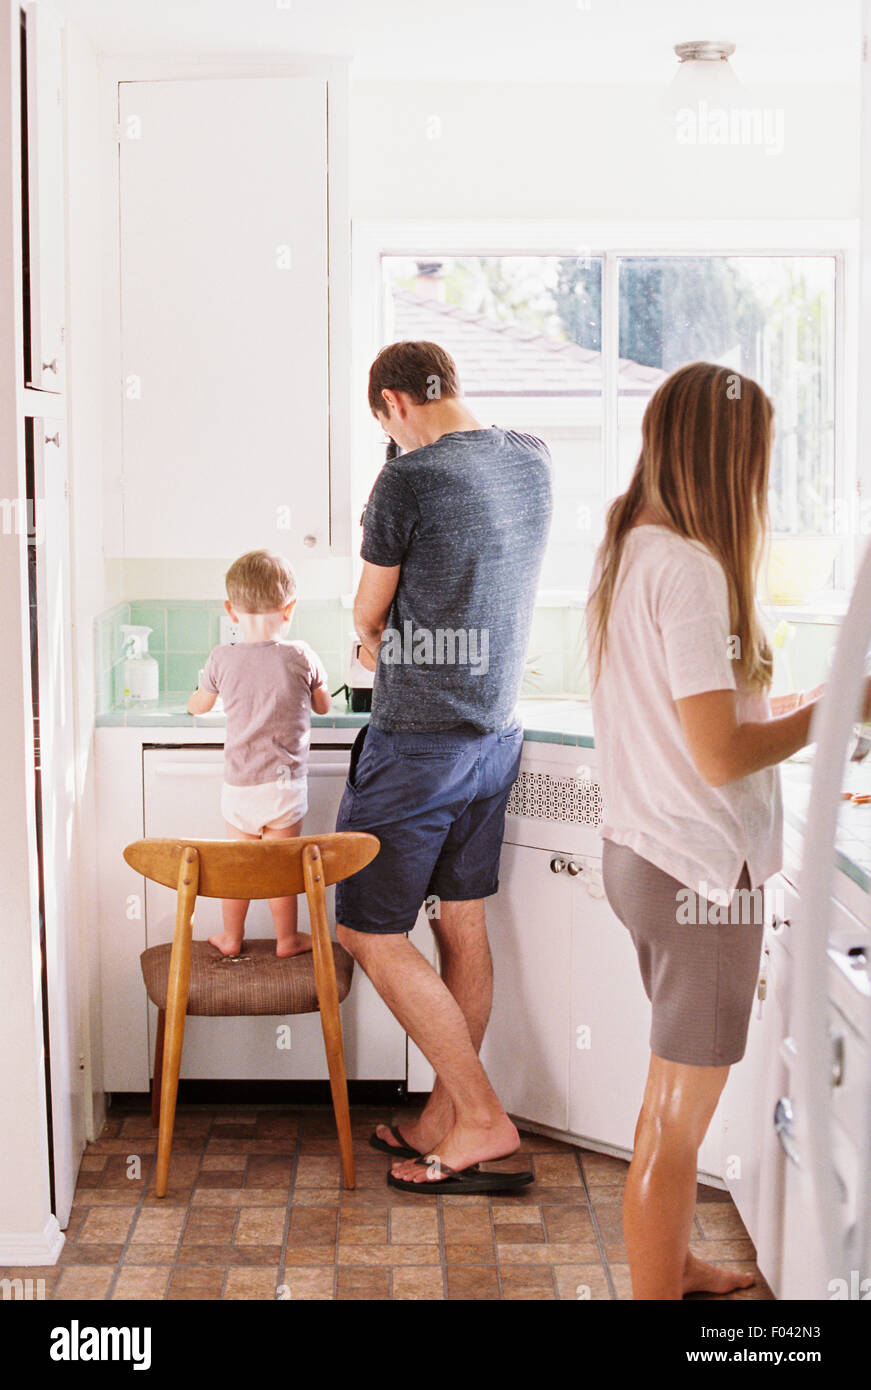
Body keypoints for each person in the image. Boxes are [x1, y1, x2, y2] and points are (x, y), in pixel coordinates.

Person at [587, 360, 869, 1299]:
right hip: (701, 874)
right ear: (727, 452)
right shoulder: (695, 570)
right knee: (677, 1120)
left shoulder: (636, 545)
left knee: (663, 1101)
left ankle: (671, 1265)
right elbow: (716, 754)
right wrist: (843, 712)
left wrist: (817, 704)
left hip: (644, 854)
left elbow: (707, 711)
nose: (763, 476)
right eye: (759, 455)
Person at [334, 339, 553, 1192]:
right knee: (459, 922)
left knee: (368, 929)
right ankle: (440, 1117)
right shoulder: (530, 458)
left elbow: (367, 610)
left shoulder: (405, 482)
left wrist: (365, 639)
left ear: (392, 402)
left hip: (417, 745)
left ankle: (484, 1120)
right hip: (494, 736)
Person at [188, 549, 332, 957]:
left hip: (240, 788)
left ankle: (231, 938)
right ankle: (286, 939)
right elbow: (324, 707)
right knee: (280, 871)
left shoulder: (221, 657)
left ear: (231, 610)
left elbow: (199, 705)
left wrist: (194, 699)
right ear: (289, 609)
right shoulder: (301, 655)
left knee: (241, 869)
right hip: (284, 789)